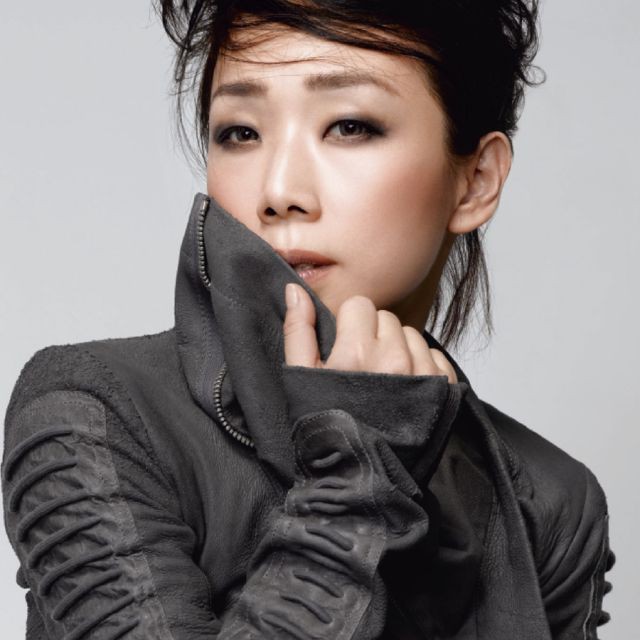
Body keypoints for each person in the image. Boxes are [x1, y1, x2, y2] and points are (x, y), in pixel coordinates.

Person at [2, 1, 614, 638]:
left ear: (477, 180)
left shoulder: (550, 499)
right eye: (241, 133)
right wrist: (354, 488)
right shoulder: (96, 411)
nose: (279, 191)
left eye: (349, 126)